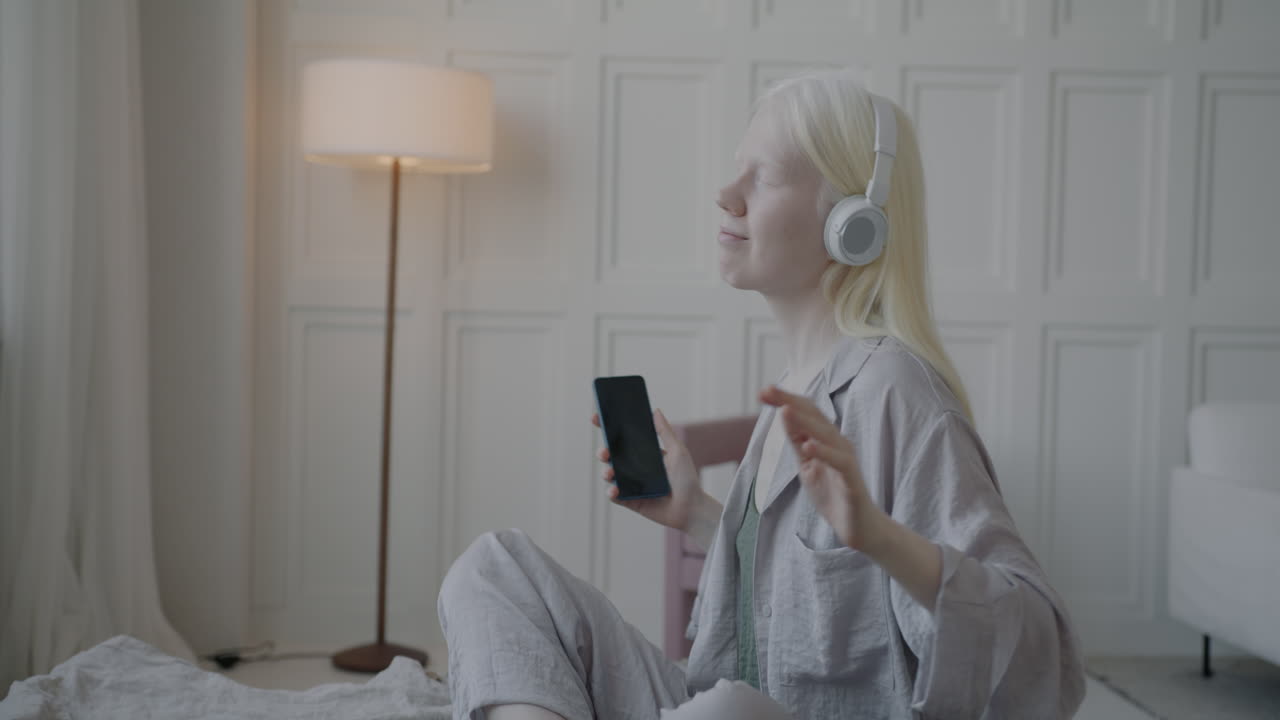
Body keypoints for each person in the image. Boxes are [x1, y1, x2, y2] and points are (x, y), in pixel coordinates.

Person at [437, 68, 1086, 720]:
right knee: (491, 568)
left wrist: (882, 537)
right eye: (734, 169)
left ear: (851, 222)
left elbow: (1042, 655)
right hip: (715, 699)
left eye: (764, 177)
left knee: (725, 711)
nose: (725, 194)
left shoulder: (896, 392)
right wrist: (696, 511)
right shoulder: (797, 387)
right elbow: (783, 610)